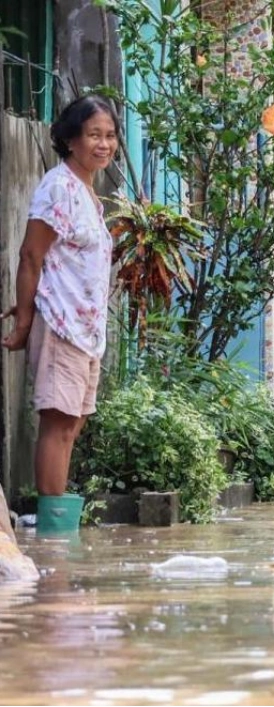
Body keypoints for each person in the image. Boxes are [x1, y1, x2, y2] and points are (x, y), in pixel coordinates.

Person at [1, 95, 119, 533]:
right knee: (58, 422)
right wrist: (25, 320)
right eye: (94, 135)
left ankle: (57, 527)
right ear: (71, 139)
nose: (103, 144)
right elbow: (32, 255)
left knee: (73, 424)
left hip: (87, 329)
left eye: (109, 136)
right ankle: (54, 533)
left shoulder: (88, 192)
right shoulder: (58, 186)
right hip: (62, 324)